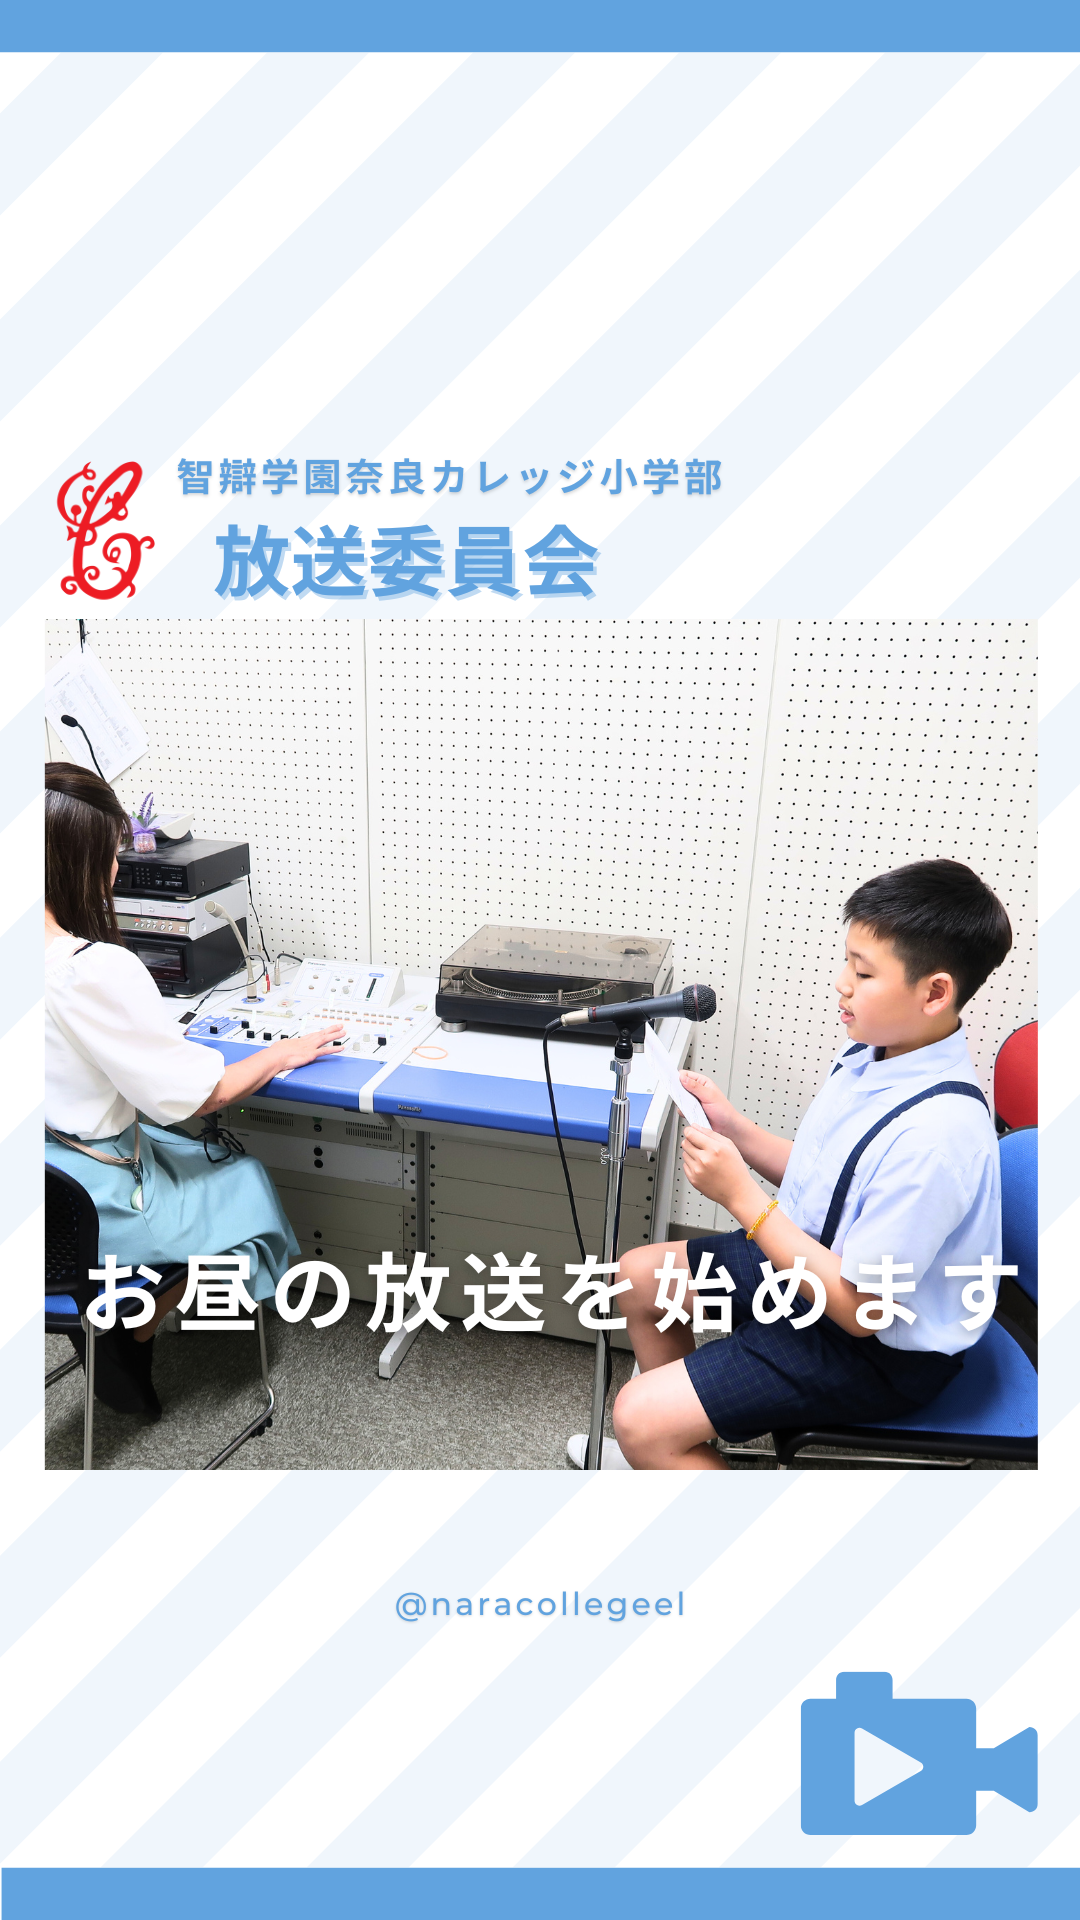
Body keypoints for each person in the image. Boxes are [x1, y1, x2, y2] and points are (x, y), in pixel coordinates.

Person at [568, 859, 1014, 1471]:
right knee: (640, 1277)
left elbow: (862, 1312)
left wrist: (740, 1197)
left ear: (935, 993)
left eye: (863, 972)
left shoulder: (937, 1136)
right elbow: (825, 1182)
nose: (842, 984)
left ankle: (659, 1443)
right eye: (847, 963)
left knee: (636, 1417)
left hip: (874, 1348)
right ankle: (671, 1448)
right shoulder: (874, 1055)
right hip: (814, 1262)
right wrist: (736, 1130)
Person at [45, 762, 345, 1419]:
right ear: (79, 862)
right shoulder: (93, 970)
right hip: (96, 1201)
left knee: (180, 1149)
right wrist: (282, 1051)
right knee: (246, 1183)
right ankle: (135, 1324)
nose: (117, 871)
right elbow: (203, 1096)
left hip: (42, 1185)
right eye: (111, 855)